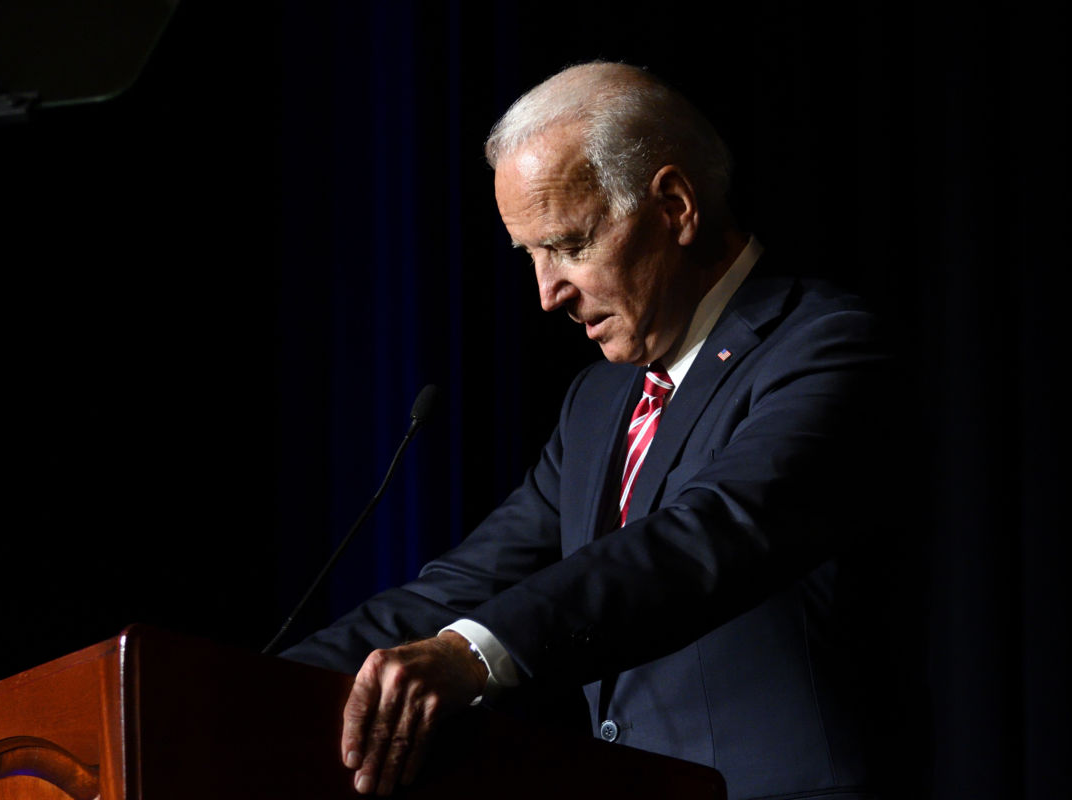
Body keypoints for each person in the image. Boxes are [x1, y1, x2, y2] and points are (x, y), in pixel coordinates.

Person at [283, 61, 898, 800]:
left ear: (674, 206)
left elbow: (706, 535)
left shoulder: (824, 345)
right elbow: (465, 585)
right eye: (532, 255)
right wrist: (238, 682)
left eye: (570, 245)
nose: (547, 294)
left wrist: (474, 654)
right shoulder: (600, 400)